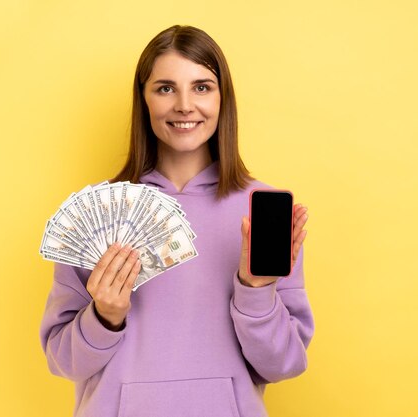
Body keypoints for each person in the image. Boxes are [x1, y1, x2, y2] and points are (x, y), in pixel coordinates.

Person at [40, 25, 314, 417]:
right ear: (144, 100)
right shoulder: (100, 213)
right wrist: (105, 317)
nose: (185, 105)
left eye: (202, 86)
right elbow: (63, 363)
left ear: (224, 99)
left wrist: (255, 290)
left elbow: (283, 364)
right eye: (165, 88)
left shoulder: (263, 214)